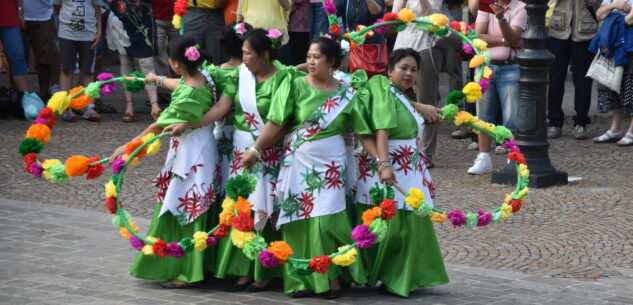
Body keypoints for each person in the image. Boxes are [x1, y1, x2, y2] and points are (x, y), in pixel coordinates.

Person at [240, 36, 370, 299]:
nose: (310, 61)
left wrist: (382, 161)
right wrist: (256, 148)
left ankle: (330, 277)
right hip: (298, 163)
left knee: (327, 221)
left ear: (332, 61)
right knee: (298, 219)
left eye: (317, 57)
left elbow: (362, 131)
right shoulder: (295, 85)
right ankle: (301, 280)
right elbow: (277, 122)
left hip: (331, 166)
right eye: (309, 56)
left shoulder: (347, 93)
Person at [166, 28, 290, 292]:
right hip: (240, 148)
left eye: (248, 53)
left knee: (264, 209)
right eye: (242, 53)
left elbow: (279, 119)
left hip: (265, 149)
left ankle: (264, 269)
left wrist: (258, 148)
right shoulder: (240, 75)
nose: (242, 58)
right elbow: (217, 102)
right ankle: (240, 267)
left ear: (264, 55)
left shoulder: (283, 79)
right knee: (239, 208)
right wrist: (188, 122)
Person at [109, 36, 219, 289]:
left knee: (184, 205)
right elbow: (177, 83)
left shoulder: (187, 95)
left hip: (193, 154)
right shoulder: (202, 77)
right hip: (199, 147)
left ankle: (185, 272)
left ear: (176, 62)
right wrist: (157, 79)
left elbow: (158, 125)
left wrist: (128, 146)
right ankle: (198, 266)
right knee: (193, 201)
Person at [352, 48, 448, 297]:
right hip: (391, 166)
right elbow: (381, 130)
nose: (409, 73)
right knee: (394, 223)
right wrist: (384, 165)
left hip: (410, 167)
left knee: (409, 222)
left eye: (414, 70)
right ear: (389, 69)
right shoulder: (381, 89)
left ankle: (405, 275)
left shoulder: (400, 95)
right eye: (403, 68)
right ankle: (393, 276)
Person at [468, 0, 527, 175]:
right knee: (483, 116)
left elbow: (514, 38)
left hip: (510, 67)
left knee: (511, 117)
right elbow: (478, 36)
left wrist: (501, 19)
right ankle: (484, 157)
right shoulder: (486, 4)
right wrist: (503, 41)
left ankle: (512, 156)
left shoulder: (520, 8)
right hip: (485, 66)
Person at [392, 0, 444, 167]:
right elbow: (395, 19)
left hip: (424, 46)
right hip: (402, 47)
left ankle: (426, 151)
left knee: (425, 99)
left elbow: (431, 18)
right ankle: (402, 146)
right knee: (399, 99)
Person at [546, 0, 601, 140]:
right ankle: (554, 121)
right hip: (558, 29)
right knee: (555, 78)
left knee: (582, 80)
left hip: (585, 30)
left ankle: (581, 122)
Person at [107, 0, 160, 123]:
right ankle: (129, 105)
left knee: (147, 62)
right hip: (121, 15)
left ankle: (155, 105)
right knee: (125, 61)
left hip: (143, 14)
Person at [592, 0, 633, 146]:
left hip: (630, 44)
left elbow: (630, 20)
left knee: (630, 86)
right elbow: (599, 15)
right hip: (613, 45)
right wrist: (614, 5)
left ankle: (632, 131)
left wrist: (613, 19)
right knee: (613, 85)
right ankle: (615, 128)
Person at [53, 0, 102, 122]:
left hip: (89, 34)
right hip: (67, 33)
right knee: (66, 69)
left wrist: (99, 32)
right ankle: (65, 105)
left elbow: (97, 10)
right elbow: (57, 7)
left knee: (88, 70)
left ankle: (89, 106)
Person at [23, 0, 57, 100]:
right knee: (16, 56)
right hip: (19, 14)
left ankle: (44, 93)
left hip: (45, 15)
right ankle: (17, 93)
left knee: (45, 56)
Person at [183, 0, 226, 65]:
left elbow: (220, 4)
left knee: (216, 54)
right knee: (191, 54)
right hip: (192, 13)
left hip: (214, 14)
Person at [0, 0, 29, 93]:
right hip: (9, 13)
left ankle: (26, 98)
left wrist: (20, 10)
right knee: (18, 58)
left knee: (18, 57)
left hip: (9, 13)